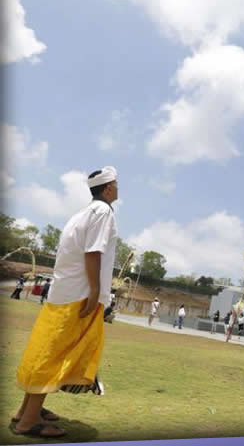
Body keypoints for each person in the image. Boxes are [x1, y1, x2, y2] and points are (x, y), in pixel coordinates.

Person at [11, 166, 119, 438]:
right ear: (107, 189)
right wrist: (95, 291)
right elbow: (93, 252)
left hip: (62, 293)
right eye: (115, 185)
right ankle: (29, 422)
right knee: (57, 354)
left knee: (45, 349)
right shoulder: (103, 212)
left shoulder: (81, 214)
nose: (118, 189)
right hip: (79, 295)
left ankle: (26, 411)